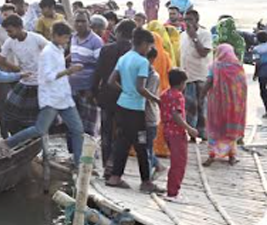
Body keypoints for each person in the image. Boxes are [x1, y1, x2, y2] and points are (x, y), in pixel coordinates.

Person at [0, 22, 85, 167]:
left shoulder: (59, 49)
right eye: (65, 38)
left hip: (63, 96)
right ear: (56, 36)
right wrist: (69, 71)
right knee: (40, 129)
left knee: (78, 130)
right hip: (51, 98)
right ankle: (7, 143)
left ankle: (79, 163)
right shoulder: (47, 53)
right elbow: (48, 76)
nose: (67, 41)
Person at [105, 28, 162, 192]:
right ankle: (146, 181)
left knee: (122, 142)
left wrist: (124, 90)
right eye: (149, 46)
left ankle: (115, 177)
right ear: (144, 44)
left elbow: (111, 81)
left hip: (122, 106)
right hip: (136, 110)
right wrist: (156, 99)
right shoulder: (142, 62)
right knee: (142, 145)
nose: (150, 50)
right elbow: (141, 88)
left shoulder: (124, 58)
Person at [91, 19, 135, 178]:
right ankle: (114, 166)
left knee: (106, 133)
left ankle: (106, 168)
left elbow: (97, 75)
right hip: (126, 98)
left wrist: (94, 93)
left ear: (119, 33)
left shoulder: (106, 50)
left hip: (106, 96)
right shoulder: (134, 53)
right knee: (121, 134)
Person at [0, 14, 48, 134]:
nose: (9, 34)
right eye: (7, 32)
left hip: (39, 83)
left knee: (37, 117)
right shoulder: (10, 42)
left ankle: (38, 140)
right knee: (10, 112)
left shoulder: (36, 38)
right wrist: (17, 69)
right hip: (24, 81)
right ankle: (19, 139)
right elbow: (0, 59)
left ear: (20, 27)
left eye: (10, 31)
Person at [204, 44, 247, 166]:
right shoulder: (238, 67)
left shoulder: (215, 66)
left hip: (216, 104)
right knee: (230, 130)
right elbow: (243, 86)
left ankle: (212, 155)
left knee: (215, 128)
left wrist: (201, 95)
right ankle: (232, 156)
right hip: (234, 106)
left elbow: (209, 81)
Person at [162, 68, 199, 202]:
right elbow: (176, 115)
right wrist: (189, 129)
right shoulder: (177, 96)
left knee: (175, 162)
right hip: (177, 133)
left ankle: (171, 190)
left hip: (167, 131)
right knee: (179, 163)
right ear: (181, 83)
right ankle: (173, 193)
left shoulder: (165, 94)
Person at [69, 11, 104, 136]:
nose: (79, 24)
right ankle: (76, 153)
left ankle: (88, 154)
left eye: (83, 21)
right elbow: (73, 57)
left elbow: (100, 67)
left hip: (87, 89)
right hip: (73, 88)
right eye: (77, 21)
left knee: (88, 126)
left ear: (89, 23)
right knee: (74, 124)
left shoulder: (96, 41)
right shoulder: (73, 38)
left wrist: (93, 89)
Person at [181, 9, 212, 138]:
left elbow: (203, 53)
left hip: (200, 75)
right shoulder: (182, 35)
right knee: (189, 106)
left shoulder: (204, 33)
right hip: (187, 76)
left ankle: (203, 133)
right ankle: (192, 133)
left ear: (196, 20)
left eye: (190, 20)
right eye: (185, 20)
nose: (187, 23)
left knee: (201, 105)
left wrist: (194, 37)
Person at [254, 31, 267, 115]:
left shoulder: (256, 49)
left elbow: (257, 63)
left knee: (263, 91)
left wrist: (255, 74)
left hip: (262, 73)